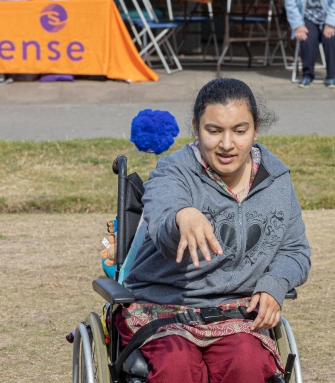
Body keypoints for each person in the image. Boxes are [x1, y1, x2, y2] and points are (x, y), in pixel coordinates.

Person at [119, 78, 311, 382]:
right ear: (196, 128)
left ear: (256, 128)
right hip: (165, 307)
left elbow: (295, 251)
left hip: (237, 313)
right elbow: (162, 211)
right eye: (213, 130)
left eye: (239, 130)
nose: (226, 144)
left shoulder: (276, 180)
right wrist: (183, 216)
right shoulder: (174, 171)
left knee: (248, 364)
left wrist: (275, 284)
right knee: (176, 368)